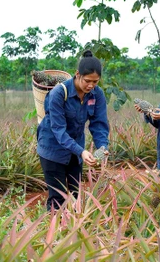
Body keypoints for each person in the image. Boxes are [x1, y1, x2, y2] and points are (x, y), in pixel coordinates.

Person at [37, 50, 109, 211]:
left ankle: (74, 231)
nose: (91, 85)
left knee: (76, 194)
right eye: (87, 81)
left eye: (95, 82)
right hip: (52, 148)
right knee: (57, 197)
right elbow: (58, 130)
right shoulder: (59, 93)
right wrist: (82, 151)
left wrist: (103, 147)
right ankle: (55, 233)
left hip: (75, 152)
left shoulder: (97, 94)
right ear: (77, 74)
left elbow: (99, 124)